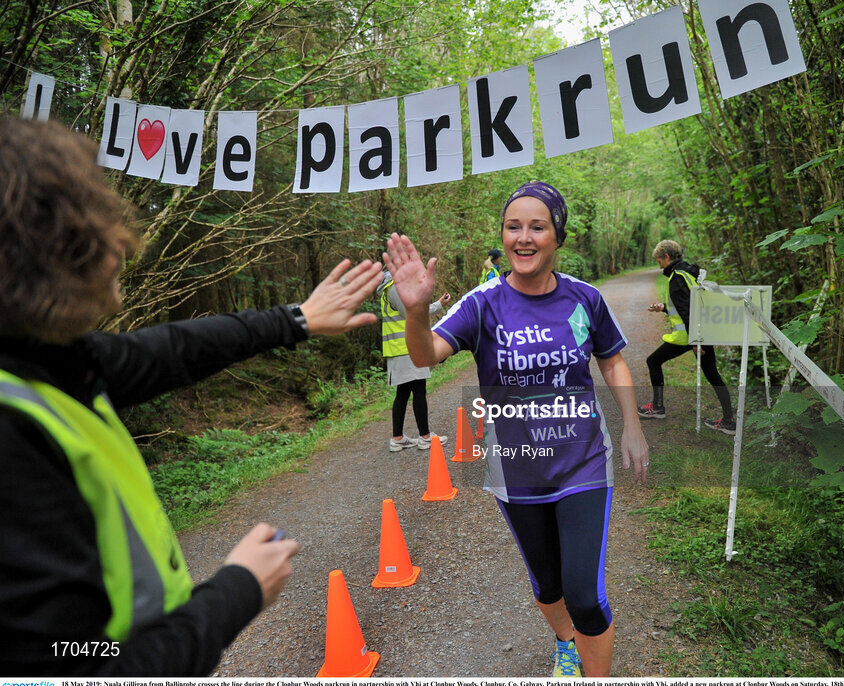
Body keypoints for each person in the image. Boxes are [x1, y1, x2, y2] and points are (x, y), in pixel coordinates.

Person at [0, 118, 383, 676]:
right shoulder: (12, 429)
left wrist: (295, 319)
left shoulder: (50, 362)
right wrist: (238, 588)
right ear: (57, 250)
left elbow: (172, 350)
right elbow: (88, 664)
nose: (122, 238)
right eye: (101, 215)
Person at [383, 181, 649, 678]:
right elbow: (424, 356)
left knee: (585, 596)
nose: (523, 238)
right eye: (513, 227)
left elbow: (612, 361)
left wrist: (632, 426)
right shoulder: (482, 303)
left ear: (557, 237)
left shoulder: (585, 299)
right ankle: (564, 640)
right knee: (549, 587)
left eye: (537, 227)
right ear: (503, 236)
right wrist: (416, 310)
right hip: (516, 469)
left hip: (582, 462)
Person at [638, 239, 736, 434]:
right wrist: (664, 308)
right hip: (701, 331)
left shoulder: (676, 277)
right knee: (712, 374)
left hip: (690, 336)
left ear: (666, 256)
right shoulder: (688, 272)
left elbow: (688, 311)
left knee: (653, 361)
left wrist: (696, 340)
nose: (659, 265)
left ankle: (657, 407)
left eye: (659, 260)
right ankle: (728, 421)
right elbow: (686, 305)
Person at [378, 270, 451, 451]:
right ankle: (425, 436)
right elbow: (413, 314)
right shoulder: (394, 288)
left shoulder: (390, 288)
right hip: (407, 348)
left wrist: (437, 304)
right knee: (419, 390)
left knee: (403, 393)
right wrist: (436, 306)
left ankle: (398, 438)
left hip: (400, 349)